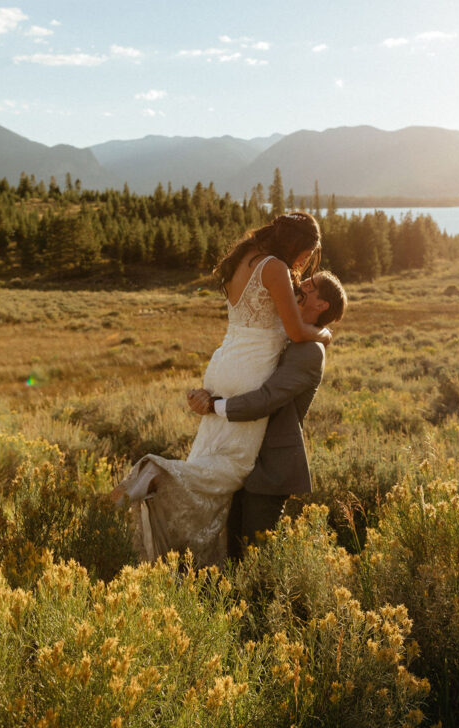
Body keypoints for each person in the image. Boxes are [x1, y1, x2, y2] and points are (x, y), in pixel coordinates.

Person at [112, 212, 330, 565]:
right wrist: (325, 334)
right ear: (294, 245)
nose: (304, 262)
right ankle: (158, 473)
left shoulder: (244, 258)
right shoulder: (274, 267)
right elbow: (295, 332)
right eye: (305, 252)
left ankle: (182, 551)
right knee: (234, 467)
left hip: (224, 364)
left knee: (208, 456)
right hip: (251, 372)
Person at [187, 270, 347, 559]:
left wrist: (215, 407)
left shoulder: (310, 351)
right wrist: (208, 393)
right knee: (231, 551)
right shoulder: (282, 331)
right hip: (239, 454)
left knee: (256, 558)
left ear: (322, 305)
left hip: (269, 468)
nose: (300, 285)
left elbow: (267, 399)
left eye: (310, 287)